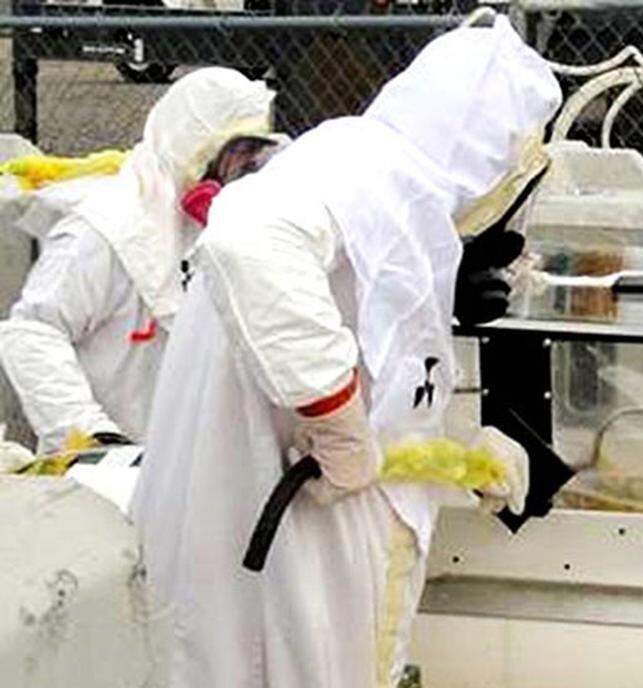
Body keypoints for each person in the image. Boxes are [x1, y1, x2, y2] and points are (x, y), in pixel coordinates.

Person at [131, 16, 560, 688]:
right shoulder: (367, 169)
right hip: (267, 568)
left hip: (292, 558)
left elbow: (372, 384)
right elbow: (247, 241)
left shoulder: (382, 185)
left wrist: (453, 458)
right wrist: (337, 428)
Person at [0, 68, 276, 453]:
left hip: (188, 461)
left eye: (250, 155)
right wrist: (87, 435)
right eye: (232, 153)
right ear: (188, 146)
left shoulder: (233, 227)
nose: (241, 169)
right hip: (106, 469)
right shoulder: (105, 229)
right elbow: (32, 332)